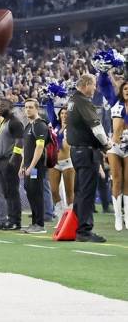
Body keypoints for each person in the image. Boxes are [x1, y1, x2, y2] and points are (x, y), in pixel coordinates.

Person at [67, 74, 111, 242]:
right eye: (93, 85)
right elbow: (96, 127)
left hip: (77, 151)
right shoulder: (83, 101)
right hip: (86, 152)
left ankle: (77, 227)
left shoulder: (72, 100)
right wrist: (106, 144)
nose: (95, 89)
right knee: (86, 191)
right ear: (85, 84)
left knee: (80, 191)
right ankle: (84, 231)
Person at [96, 69, 128, 231]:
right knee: (116, 179)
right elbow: (103, 85)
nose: (127, 91)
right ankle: (117, 217)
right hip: (114, 145)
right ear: (121, 91)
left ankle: (127, 216)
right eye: (125, 88)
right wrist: (103, 71)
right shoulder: (115, 102)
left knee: (127, 181)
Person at [0, 99, 25, 230]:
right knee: (6, 192)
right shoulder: (3, 122)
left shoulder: (15, 122)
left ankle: (15, 221)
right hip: (0, 160)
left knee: (12, 191)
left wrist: (14, 159)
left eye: (3, 106)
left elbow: (20, 141)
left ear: (11, 107)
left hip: (9, 160)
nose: (0, 108)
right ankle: (10, 218)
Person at [19, 99, 49, 233]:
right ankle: (34, 223)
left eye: (31, 107)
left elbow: (40, 147)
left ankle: (40, 224)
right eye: (26, 107)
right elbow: (26, 148)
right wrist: (22, 166)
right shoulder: (28, 126)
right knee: (30, 192)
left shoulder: (40, 125)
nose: (28, 110)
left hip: (36, 167)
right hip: (28, 166)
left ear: (37, 109)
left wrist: (31, 166)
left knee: (37, 193)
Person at [44, 97, 75, 218]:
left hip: (68, 162)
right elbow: (50, 112)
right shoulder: (56, 126)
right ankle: (60, 215)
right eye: (62, 113)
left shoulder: (73, 127)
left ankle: (70, 217)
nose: (64, 115)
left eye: (66, 113)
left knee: (69, 192)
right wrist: (49, 98)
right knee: (54, 191)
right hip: (54, 162)